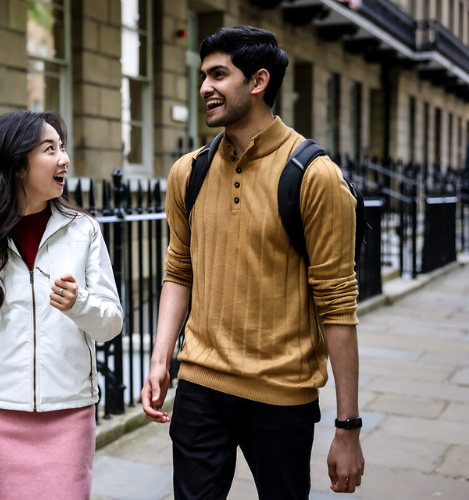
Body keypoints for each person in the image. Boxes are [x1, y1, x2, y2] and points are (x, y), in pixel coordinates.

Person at [141, 26, 365, 499]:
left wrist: (348, 426)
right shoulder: (189, 171)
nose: (205, 87)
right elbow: (179, 271)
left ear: (258, 81)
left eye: (219, 75)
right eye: (203, 76)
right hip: (200, 385)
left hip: (281, 395)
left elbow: (338, 304)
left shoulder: (315, 176)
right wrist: (161, 358)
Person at [0, 110, 123, 500]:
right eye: (50, 149)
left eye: (62, 147)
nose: (64, 159)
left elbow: (111, 324)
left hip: (69, 412)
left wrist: (79, 305)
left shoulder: (83, 230)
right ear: (18, 165)